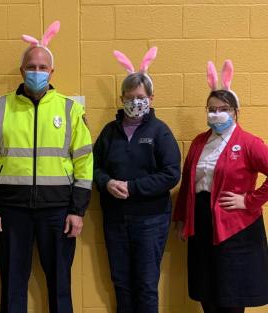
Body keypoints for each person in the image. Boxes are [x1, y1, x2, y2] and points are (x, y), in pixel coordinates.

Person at [0, 21, 93, 313]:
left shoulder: (70, 109)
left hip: (58, 211)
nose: (36, 72)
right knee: (13, 285)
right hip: (11, 211)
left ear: (52, 72)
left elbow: (84, 163)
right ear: (21, 71)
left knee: (60, 286)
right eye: (31, 66)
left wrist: (77, 211)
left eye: (42, 67)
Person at [173, 60, 268, 313]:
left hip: (236, 227)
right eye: (211, 109)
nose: (216, 114)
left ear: (235, 111)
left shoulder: (249, 143)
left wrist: (249, 201)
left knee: (230, 295)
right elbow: (188, 185)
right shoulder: (198, 142)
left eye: (222, 108)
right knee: (207, 291)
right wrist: (183, 218)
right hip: (202, 223)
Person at [93, 47, 181, 313]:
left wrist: (133, 188)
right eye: (130, 98)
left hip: (150, 221)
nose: (135, 103)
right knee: (121, 282)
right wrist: (106, 182)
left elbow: (171, 173)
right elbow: (93, 167)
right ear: (121, 99)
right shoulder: (109, 132)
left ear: (151, 98)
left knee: (145, 284)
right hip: (116, 220)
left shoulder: (160, 132)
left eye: (140, 97)